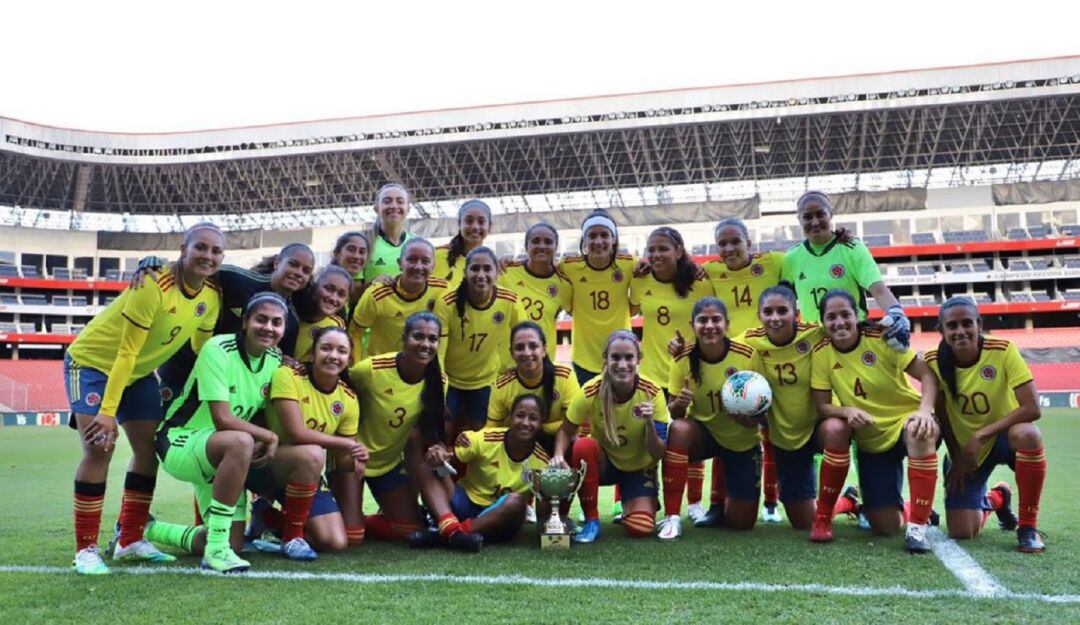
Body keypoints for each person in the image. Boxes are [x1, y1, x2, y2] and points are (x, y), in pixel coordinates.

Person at [66, 222, 223, 575]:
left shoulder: (210, 298)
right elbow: (126, 352)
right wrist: (107, 412)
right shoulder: (152, 285)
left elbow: (202, 350)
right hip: (92, 363)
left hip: (136, 374)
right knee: (98, 447)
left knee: (147, 449)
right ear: (183, 250)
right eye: (201, 247)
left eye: (216, 251)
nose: (208, 256)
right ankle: (85, 549)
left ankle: (129, 539)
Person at [151, 293, 286, 573]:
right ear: (246, 321)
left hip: (222, 455)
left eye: (277, 322)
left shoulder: (275, 359)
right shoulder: (218, 348)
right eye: (261, 319)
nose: (269, 327)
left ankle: (148, 528)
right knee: (241, 440)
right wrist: (269, 436)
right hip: (180, 441)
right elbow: (222, 419)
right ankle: (215, 552)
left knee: (234, 544)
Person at [809, 290, 940, 553]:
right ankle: (899, 505)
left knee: (918, 431)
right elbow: (822, 406)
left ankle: (917, 528)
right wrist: (847, 411)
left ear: (857, 316)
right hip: (872, 439)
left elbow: (927, 375)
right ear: (823, 322)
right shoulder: (822, 353)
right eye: (831, 317)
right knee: (885, 526)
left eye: (845, 314)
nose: (839, 322)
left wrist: (925, 411)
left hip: (906, 422)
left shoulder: (881, 338)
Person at [925, 297, 1045, 552]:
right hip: (967, 451)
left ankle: (1028, 528)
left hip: (1003, 437)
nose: (960, 331)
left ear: (979, 324)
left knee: (1028, 434)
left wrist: (981, 435)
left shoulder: (1002, 349)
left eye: (967, 323)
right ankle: (998, 497)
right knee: (962, 531)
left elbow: (1032, 408)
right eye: (952, 325)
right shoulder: (933, 360)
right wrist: (956, 456)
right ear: (941, 330)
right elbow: (942, 414)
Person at [739, 286, 861, 529]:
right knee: (803, 521)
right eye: (768, 312)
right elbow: (714, 345)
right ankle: (847, 502)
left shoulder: (815, 334)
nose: (775, 318)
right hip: (785, 436)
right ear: (759, 315)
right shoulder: (749, 341)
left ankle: (833, 509)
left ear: (796, 313)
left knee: (837, 428)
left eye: (783, 311)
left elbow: (853, 330)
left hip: (820, 424)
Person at [243, 327, 367, 555]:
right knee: (312, 453)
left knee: (335, 542)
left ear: (349, 359)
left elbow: (342, 460)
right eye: (326, 348)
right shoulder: (288, 376)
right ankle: (293, 538)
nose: (333, 355)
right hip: (267, 464)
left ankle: (268, 517)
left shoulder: (349, 399)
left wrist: (358, 458)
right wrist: (347, 444)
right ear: (313, 353)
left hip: (305, 474)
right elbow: (296, 433)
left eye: (341, 351)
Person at [154, 242, 315, 406]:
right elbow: (192, 268)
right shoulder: (237, 280)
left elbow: (279, 360)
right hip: (185, 367)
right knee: (163, 424)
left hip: (227, 385)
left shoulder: (292, 321)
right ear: (277, 263)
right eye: (293, 264)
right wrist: (154, 266)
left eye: (306, 271)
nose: (298, 273)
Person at [659, 298, 766, 540]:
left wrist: (750, 420)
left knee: (741, 523)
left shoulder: (746, 355)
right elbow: (674, 414)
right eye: (702, 320)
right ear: (692, 325)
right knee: (679, 429)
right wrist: (680, 403)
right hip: (705, 434)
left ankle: (721, 499)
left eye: (716, 319)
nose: (710, 326)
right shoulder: (682, 358)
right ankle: (672, 517)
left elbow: (762, 409)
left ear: (727, 324)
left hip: (741, 439)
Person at [551, 330, 669, 543]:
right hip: (606, 464)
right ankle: (591, 521)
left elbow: (658, 452)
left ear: (638, 359)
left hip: (638, 468)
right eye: (615, 357)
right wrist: (558, 455)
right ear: (605, 359)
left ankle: (631, 501)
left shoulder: (652, 392)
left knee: (640, 528)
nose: (622, 365)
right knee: (582, 446)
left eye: (629, 358)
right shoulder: (590, 390)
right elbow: (566, 430)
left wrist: (650, 423)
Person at [630, 226, 713, 523]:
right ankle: (646, 502)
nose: (656, 254)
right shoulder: (640, 281)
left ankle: (693, 504)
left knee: (688, 436)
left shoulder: (701, 282)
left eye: (663, 248)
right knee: (652, 440)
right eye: (651, 249)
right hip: (653, 374)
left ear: (679, 251)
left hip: (691, 372)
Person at [345, 312, 446, 543]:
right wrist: (349, 441)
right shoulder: (370, 369)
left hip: (388, 464)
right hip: (352, 459)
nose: (425, 344)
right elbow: (339, 397)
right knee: (352, 538)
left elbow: (429, 428)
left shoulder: (439, 381)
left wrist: (438, 446)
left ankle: (361, 519)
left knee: (411, 530)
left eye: (433, 339)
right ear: (404, 338)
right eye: (418, 337)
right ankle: (283, 519)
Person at [412, 394, 551, 551]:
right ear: (511, 416)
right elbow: (447, 456)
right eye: (520, 415)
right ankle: (455, 533)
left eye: (533, 418)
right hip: (464, 503)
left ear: (541, 422)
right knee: (426, 466)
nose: (525, 423)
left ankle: (447, 533)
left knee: (516, 501)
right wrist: (438, 454)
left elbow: (543, 516)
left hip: (499, 522)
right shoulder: (487, 439)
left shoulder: (542, 462)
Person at [780, 191, 909, 350]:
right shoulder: (791, 257)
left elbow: (878, 289)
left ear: (831, 215)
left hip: (854, 339)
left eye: (820, 214)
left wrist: (896, 311)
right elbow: (783, 301)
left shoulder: (852, 248)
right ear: (799, 219)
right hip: (815, 344)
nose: (814, 222)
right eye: (807, 217)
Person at [434, 247, 526, 433]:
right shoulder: (447, 303)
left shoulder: (509, 300)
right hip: (451, 381)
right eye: (475, 269)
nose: (481, 274)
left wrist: (519, 372)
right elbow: (438, 354)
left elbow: (526, 336)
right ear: (465, 272)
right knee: (443, 432)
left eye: (487, 269)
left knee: (480, 436)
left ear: (497, 272)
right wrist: (439, 393)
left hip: (485, 381)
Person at [557, 209, 637, 386]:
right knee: (588, 412)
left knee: (621, 409)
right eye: (592, 236)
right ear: (584, 240)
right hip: (584, 358)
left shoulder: (629, 263)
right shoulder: (568, 266)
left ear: (613, 239)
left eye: (604, 235)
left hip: (621, 356)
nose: (598, 241)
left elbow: (640, 300)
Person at [348, 237, 448, 362]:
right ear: (400, 263)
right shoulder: (377, 294)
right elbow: (355, 333)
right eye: (411, 260)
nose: (418, 266)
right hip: (381, 369)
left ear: (433, 266)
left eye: (425, 261)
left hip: (420, 369)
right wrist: (357, 369)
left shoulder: (442, 290)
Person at [486, 322, 580, 440]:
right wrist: (471, 438)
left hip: (556, 440)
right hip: (518, 441)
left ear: (544, 349)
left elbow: (575, 424)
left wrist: (534, 428)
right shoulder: (501, 386)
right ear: (511, 353)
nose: (527, 353)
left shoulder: (564, 376)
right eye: (519, 347)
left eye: (533, 346)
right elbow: (491, 429)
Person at [497, 222, 573, 366]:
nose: (542, 246)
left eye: (548, 242)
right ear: (526, 246)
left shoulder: (564, 285)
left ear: (556, 248)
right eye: (535, 241)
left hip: (542, 366)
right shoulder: (506, 272)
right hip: (505, 366)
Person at [293, 266, 350, 363]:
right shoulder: (293, 312)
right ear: (315, 286)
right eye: (328, 289)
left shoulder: (336, 325)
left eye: (341, 294)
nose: (333, 298)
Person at [363, 183, 417, 283]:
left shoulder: (418, 244)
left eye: (400, 201)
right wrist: (372, 283)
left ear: (408, 209)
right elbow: (349, 292)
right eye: (387, 201)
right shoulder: (363, 244)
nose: (393, 206)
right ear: (376, 209)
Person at [434, 199, 492, 291]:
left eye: (481, 222)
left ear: (489, 227)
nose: (475, 227)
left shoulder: (492, 264)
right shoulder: (435, 256)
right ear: (459, 224)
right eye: (469, 221)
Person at [329, 230, 370, 311]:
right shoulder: (328, 279)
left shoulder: (348, 283)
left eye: (362, 252)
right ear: (337, 253)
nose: (356, 256)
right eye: (351, 249)